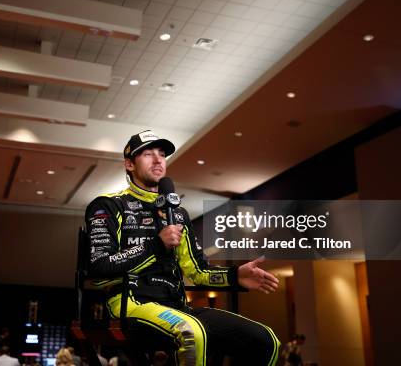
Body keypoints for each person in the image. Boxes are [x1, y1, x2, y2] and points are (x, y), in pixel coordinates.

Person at [85, 130, 281, 366]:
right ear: (129, 164)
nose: (158, 160)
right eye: (147, 154)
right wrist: (156, 245)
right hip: (130, 303)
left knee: (267, 340)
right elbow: (99, 270)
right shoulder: (108, 205)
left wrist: (235, 276)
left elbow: (197, 271)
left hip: (178, 306)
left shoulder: (177, 213)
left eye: (162, 154)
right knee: (192, 332)